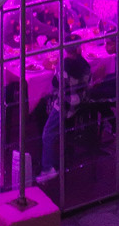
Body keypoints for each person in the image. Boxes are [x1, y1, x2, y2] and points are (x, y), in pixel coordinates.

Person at [37, 40, 91, 185]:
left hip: (65, 105)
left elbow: (56, 84)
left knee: (47, 133)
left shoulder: (64, 66)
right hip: (80, 103)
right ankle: (56, 154)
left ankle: (47, 168)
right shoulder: (85, 64)